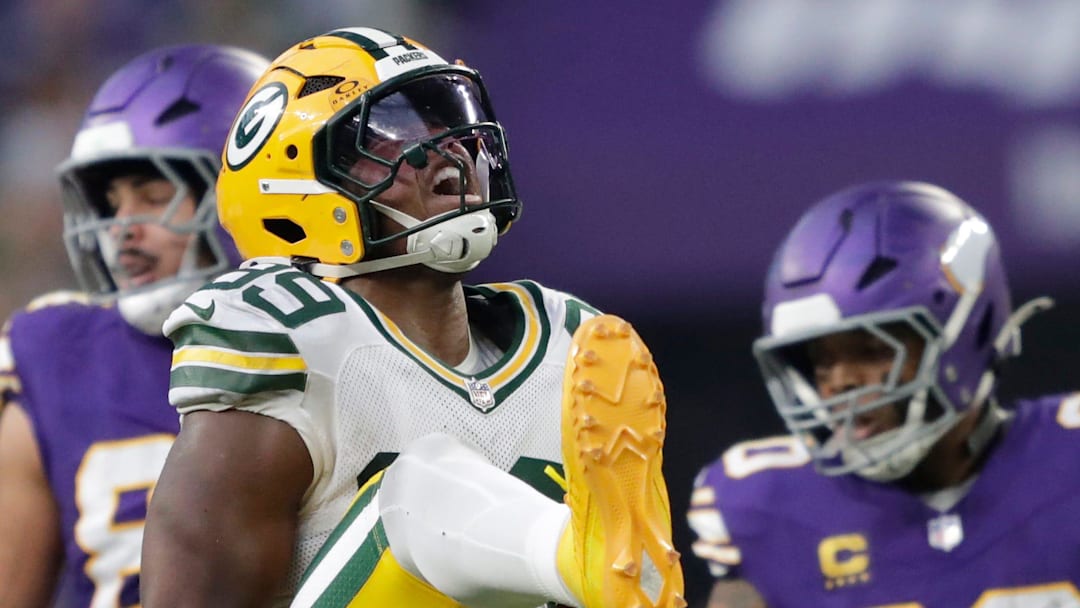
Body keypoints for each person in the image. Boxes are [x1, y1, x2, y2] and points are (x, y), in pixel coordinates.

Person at [140, 26, 685, 608]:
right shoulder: (293, 336)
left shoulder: (571, 340)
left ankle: (585, 561)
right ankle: (569, 554)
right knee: (417, 488)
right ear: (300, 186)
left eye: (446, 119)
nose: (449, 148)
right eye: (392, 131)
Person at [687, 180, 1080, 607]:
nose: (840, 382)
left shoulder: (1067, 459)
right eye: (822, 361)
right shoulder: (768, 508)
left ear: (965, 333)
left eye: (872, 350)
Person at [0, 45, 268, 606]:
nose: (122, 229)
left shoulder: (332, 340)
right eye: (111, 202)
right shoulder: (54, 355)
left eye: (152, 195)